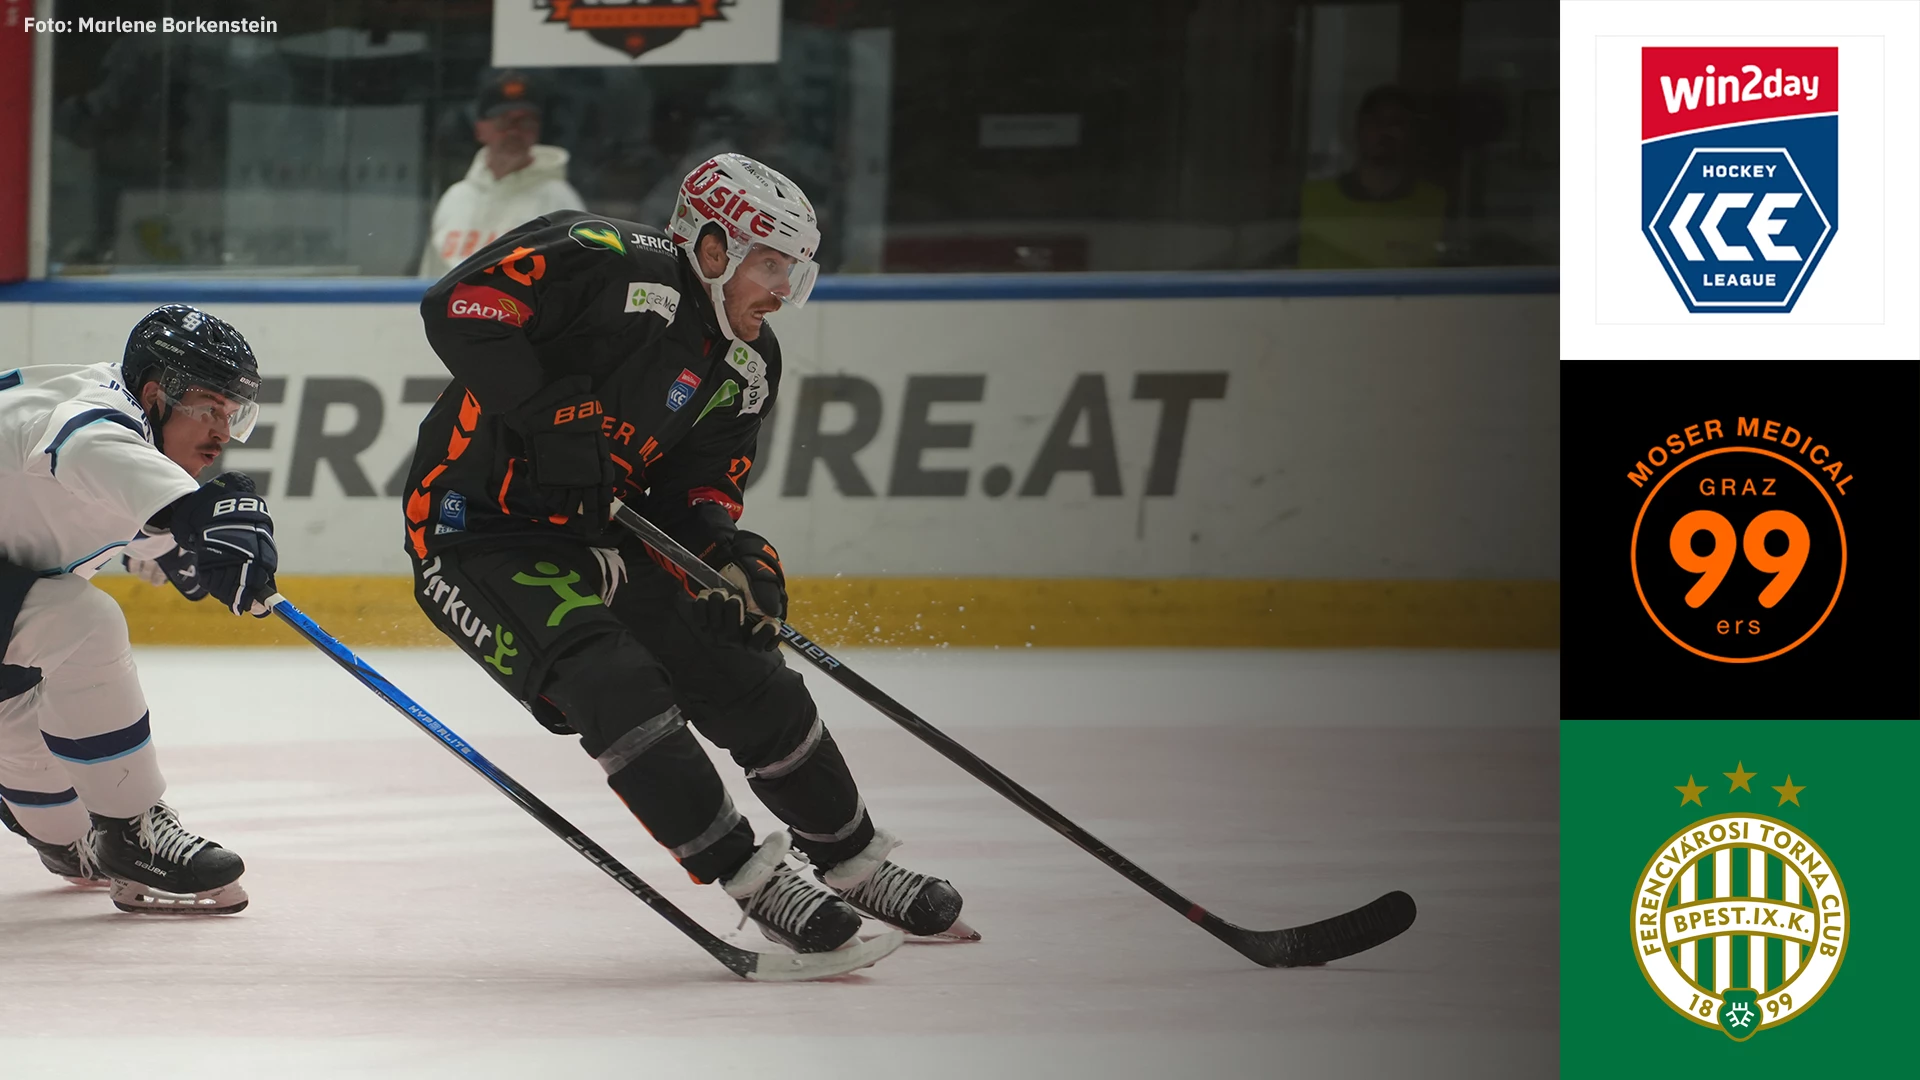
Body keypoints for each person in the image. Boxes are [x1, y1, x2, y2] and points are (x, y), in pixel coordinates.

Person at [403, 154, 974, 954]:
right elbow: (459, 304)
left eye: (793, 270)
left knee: (748, 674)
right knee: (613, 681)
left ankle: (854, 861)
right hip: (475, 533)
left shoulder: (749, 362)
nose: (782, 290)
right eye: (769, 265)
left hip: (602, 534)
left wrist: (730, 552)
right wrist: (547, 410)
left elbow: (695, 489)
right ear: (713, 248)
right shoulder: (603, 259)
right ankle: (752, 878)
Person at [0, 305, 278, 915]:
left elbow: (112, 500)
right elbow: (93, 448)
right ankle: (133, 831)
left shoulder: (130, 439)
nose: (221, 432)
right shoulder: (92, 416)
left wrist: (170, 542)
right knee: (83, 621)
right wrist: (195, 514)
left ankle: (87, 832)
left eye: (231, 414)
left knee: (70, 837)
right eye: (208, 408)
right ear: (154, 395)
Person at [420, 70, 587, 279]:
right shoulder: (456, 198)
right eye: (504, 122)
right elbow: (429, 279)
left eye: (525, 122)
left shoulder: (560, 203)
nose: (514, 132)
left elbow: (578, 279)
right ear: (480, 130)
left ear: (537, 130)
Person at [1297, 85, 1449, 269]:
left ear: (1413, 133)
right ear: (1358, 128)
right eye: (1375, 121)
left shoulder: (1435, 203)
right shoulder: (1310, 198)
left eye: (1397, 122)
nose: (1385, 130)